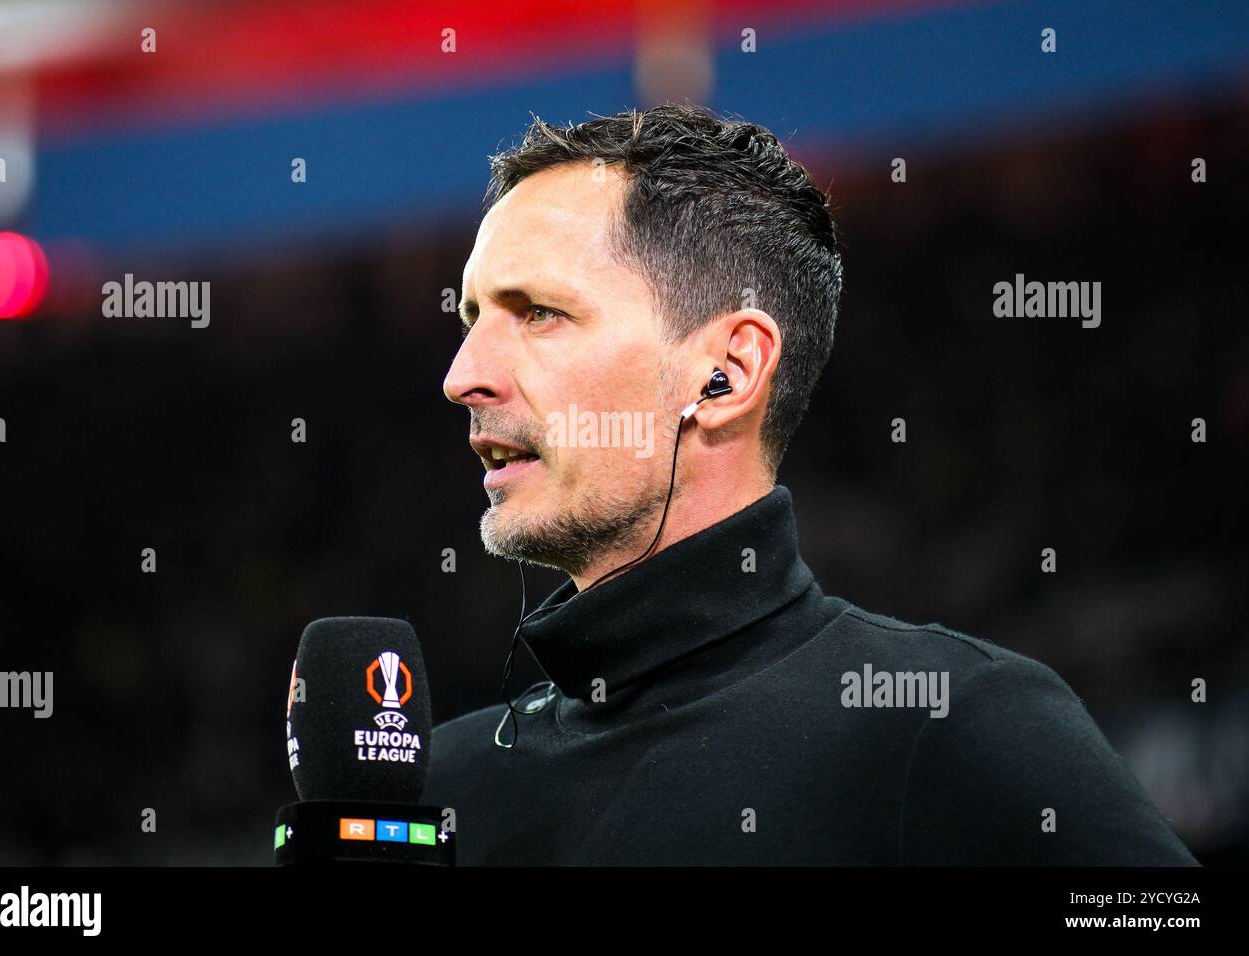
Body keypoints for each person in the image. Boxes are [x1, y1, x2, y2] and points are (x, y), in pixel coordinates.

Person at [421, 103, 1198, 866]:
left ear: (727, 373)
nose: (464, 377)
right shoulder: (436, 795)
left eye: (540, 313)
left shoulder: (949, 721)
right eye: (472, 317)